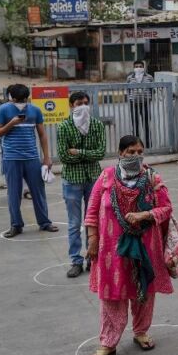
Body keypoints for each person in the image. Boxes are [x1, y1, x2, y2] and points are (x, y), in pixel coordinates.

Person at [84, 135, 175, 355]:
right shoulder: (106, 177)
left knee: (144, 289)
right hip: (111, 250)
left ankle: (141, 331)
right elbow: (92, 209)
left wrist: (146, 215)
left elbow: (166, 208)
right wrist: (92, 240)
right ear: (120, 153)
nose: (135, 156)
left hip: (146, 246)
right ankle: (108, 341)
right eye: (130, 152)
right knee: (112, 294)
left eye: (139, 152)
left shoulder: (152, 178)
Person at [0, 83, 57, 238]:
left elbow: (42, 134)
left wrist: (46, 157)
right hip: (11, 158)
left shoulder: (35, 110)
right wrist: (12, 123)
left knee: (38, 192)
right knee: (14, 194)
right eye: (17, 100)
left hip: (32, 157)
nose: (21, 102)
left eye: (23, 99)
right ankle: (16, 225)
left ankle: (44, 222)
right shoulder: (4, 110)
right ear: (11, 98)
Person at [56, 91, 106, 277]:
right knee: (74, 223)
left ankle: (92, 259)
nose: (83, 106)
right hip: (72, 180)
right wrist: (86, 154)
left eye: (86, 103)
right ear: (71, 105)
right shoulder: (64, 127)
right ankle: (76, 260)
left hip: (93, 178)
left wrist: (78, 152)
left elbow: (100, 153)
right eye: (79, 103)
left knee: (93, 221)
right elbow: (64, 156)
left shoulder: (97, 126)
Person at [126, 60, 154, 147]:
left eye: (140, 66)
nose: (138, 68)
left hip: (145, 104)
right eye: (136, 66)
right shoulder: (130, 77)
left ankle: (149, 145)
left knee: (146, 125)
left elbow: (152, 89)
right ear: (134, 68)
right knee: (135, 126)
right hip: (134, 104)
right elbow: (128, 90)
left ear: (144, 67)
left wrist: (149, 99)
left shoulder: (149, 77)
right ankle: (136, 145)